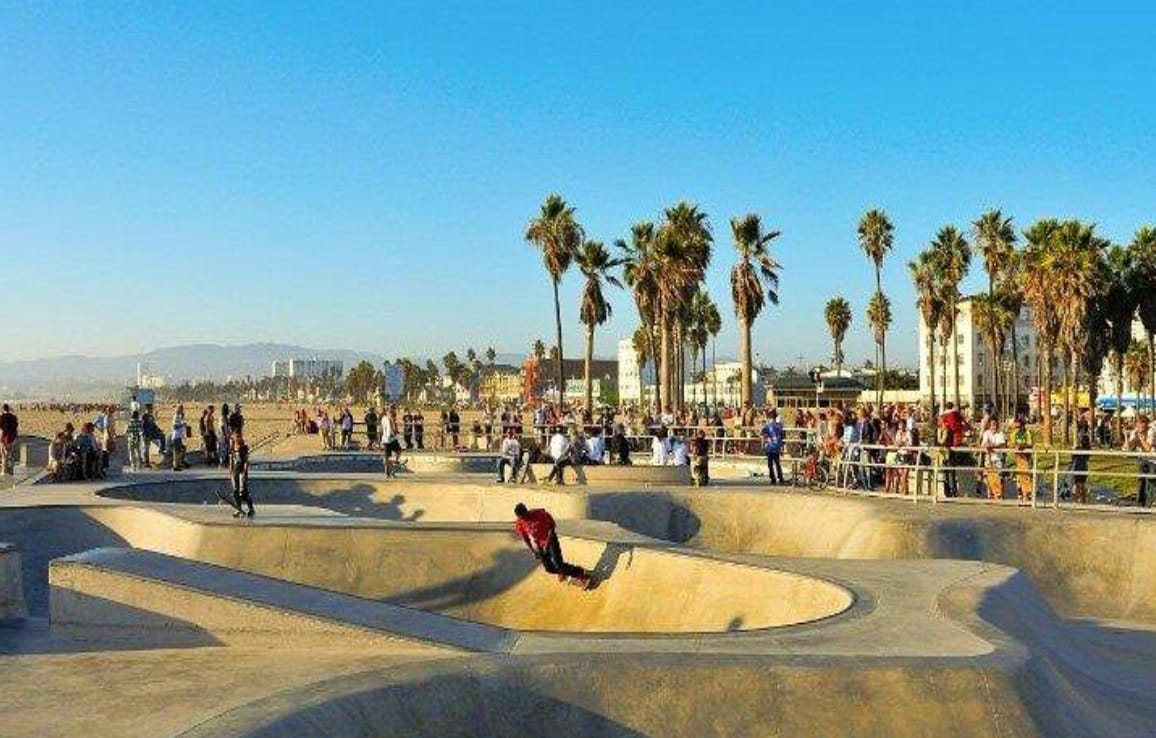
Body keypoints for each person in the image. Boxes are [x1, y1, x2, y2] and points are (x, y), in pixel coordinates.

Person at [513, 503, 589, 586]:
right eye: (521, 518)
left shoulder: (539, 514)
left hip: (551, 538)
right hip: (539, 545)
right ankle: (562, 571)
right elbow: (526, 538)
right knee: (549, 568)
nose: (524, 520)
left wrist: (547, 544)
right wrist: (533, 551)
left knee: (558, 563)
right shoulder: (520, 523)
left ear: (526, 512)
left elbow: (552, 527)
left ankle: (579, 572)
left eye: (524, 517)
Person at [1123, 414, 1155, 507]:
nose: (1141, 426)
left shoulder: (1151, 431)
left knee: (1151, 481)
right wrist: (1126, 436)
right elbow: (1127, 448)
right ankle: (1140, 503)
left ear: (1146, 425)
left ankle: (1150, 503)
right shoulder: (1135, 432)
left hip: (1153, 460)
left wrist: (1141, 439)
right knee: (1141, 480)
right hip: (1142, 459)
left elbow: (1148, 448)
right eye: (1139, 424)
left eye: (1143, 424)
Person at [229, 430, 255, 518]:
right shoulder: (232, 447)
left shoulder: (244, 447)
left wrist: (244, 472)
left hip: (242, 471)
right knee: (235, 492)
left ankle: (251, 509)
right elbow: (231, 458)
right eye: (235, 436)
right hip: (235, 471)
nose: (236, 438)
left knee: (243, 492)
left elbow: (246, 461)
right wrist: (231, 470)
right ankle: (238, 508)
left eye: (238, 436)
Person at [979, 417, 1006, 500]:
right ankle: (990, 495)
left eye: (995, 424)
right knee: (989, 477)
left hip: (998, 458)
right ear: (989, 425)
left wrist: (993, 446)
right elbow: (984, 444)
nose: (994, 426)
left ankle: (998, 495)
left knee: (998, 477)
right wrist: (987, 445)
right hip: (989, 458)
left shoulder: (1000, 433)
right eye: (992, 425)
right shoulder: (986, 433)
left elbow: (1002, 444)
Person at [1011, 416, 1034, 502]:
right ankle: (1021, 493)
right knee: (1019, 476)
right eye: (1016, 427)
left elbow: (1030, 444)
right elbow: (1012, 444)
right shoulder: (1014, 434)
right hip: (1018, 458)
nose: (1017, 428)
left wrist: (1023, 446)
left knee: (1026, 476)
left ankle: (1027, 494)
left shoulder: (1027, 433)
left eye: (1018, 427)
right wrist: (1016, 446)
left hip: (1026, 458)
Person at [1071, 408, 1093, 504]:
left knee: (1078, 485)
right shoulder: (1087, 450)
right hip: (1084, 467)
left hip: (1078, 467)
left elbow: (1073, 457)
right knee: (1082, 484)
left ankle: (1077, 499)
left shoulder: (1079, 449)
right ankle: (1082, 499)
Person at [761, 410, 786, 485]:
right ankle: (780, 478)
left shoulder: (767, 426)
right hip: (777, 446)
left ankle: (773, 479)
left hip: (770, 447)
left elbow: (762, 435)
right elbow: (783, 436)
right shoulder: (780, 425)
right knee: (777, 463)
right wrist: (782, 447)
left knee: (770, 464)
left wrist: (762, 446)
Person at [382, 406, 402, 478]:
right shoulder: (386, 419)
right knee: (387, 458)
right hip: (387, 440)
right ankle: (388, 472)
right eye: (391, 412)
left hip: (392, 439)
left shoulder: (389, 418)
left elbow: (394, 429)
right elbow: (390, 429)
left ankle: (393, 462)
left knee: (399, 451)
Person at [0, 404, 18, 475]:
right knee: (9, 454)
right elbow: (16, 427)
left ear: (3, 409)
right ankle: (10, 471)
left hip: (3, 438)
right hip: (11, 438)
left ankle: (4, 471)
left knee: (4, 455)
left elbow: (1, 429)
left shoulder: (1, 417)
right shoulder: (13, 417)